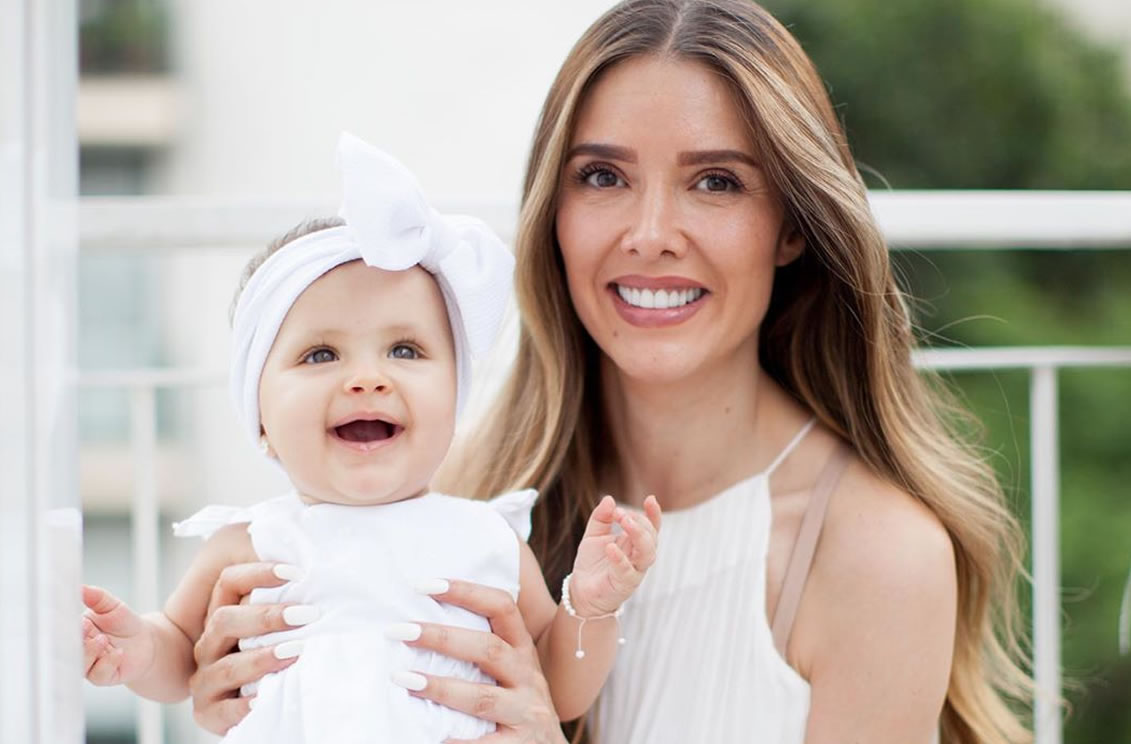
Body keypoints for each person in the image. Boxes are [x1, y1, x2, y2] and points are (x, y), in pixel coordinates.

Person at [185, 1, 1033, 742]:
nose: (650, 233)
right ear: (552, 217)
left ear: (791, 226)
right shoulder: (470, 498)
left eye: (715, 182)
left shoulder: (877, 556)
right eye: (602, 176)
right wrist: (242, 694)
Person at [80, 133, 662, 744]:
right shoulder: (247, 545)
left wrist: (588, 607)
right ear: (260, 418)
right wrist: (139, 648)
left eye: (404, 350)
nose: (366, 378)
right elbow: (183, 654)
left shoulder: (486, 539)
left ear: (455, 399)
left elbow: (556, 689)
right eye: (321, 354)